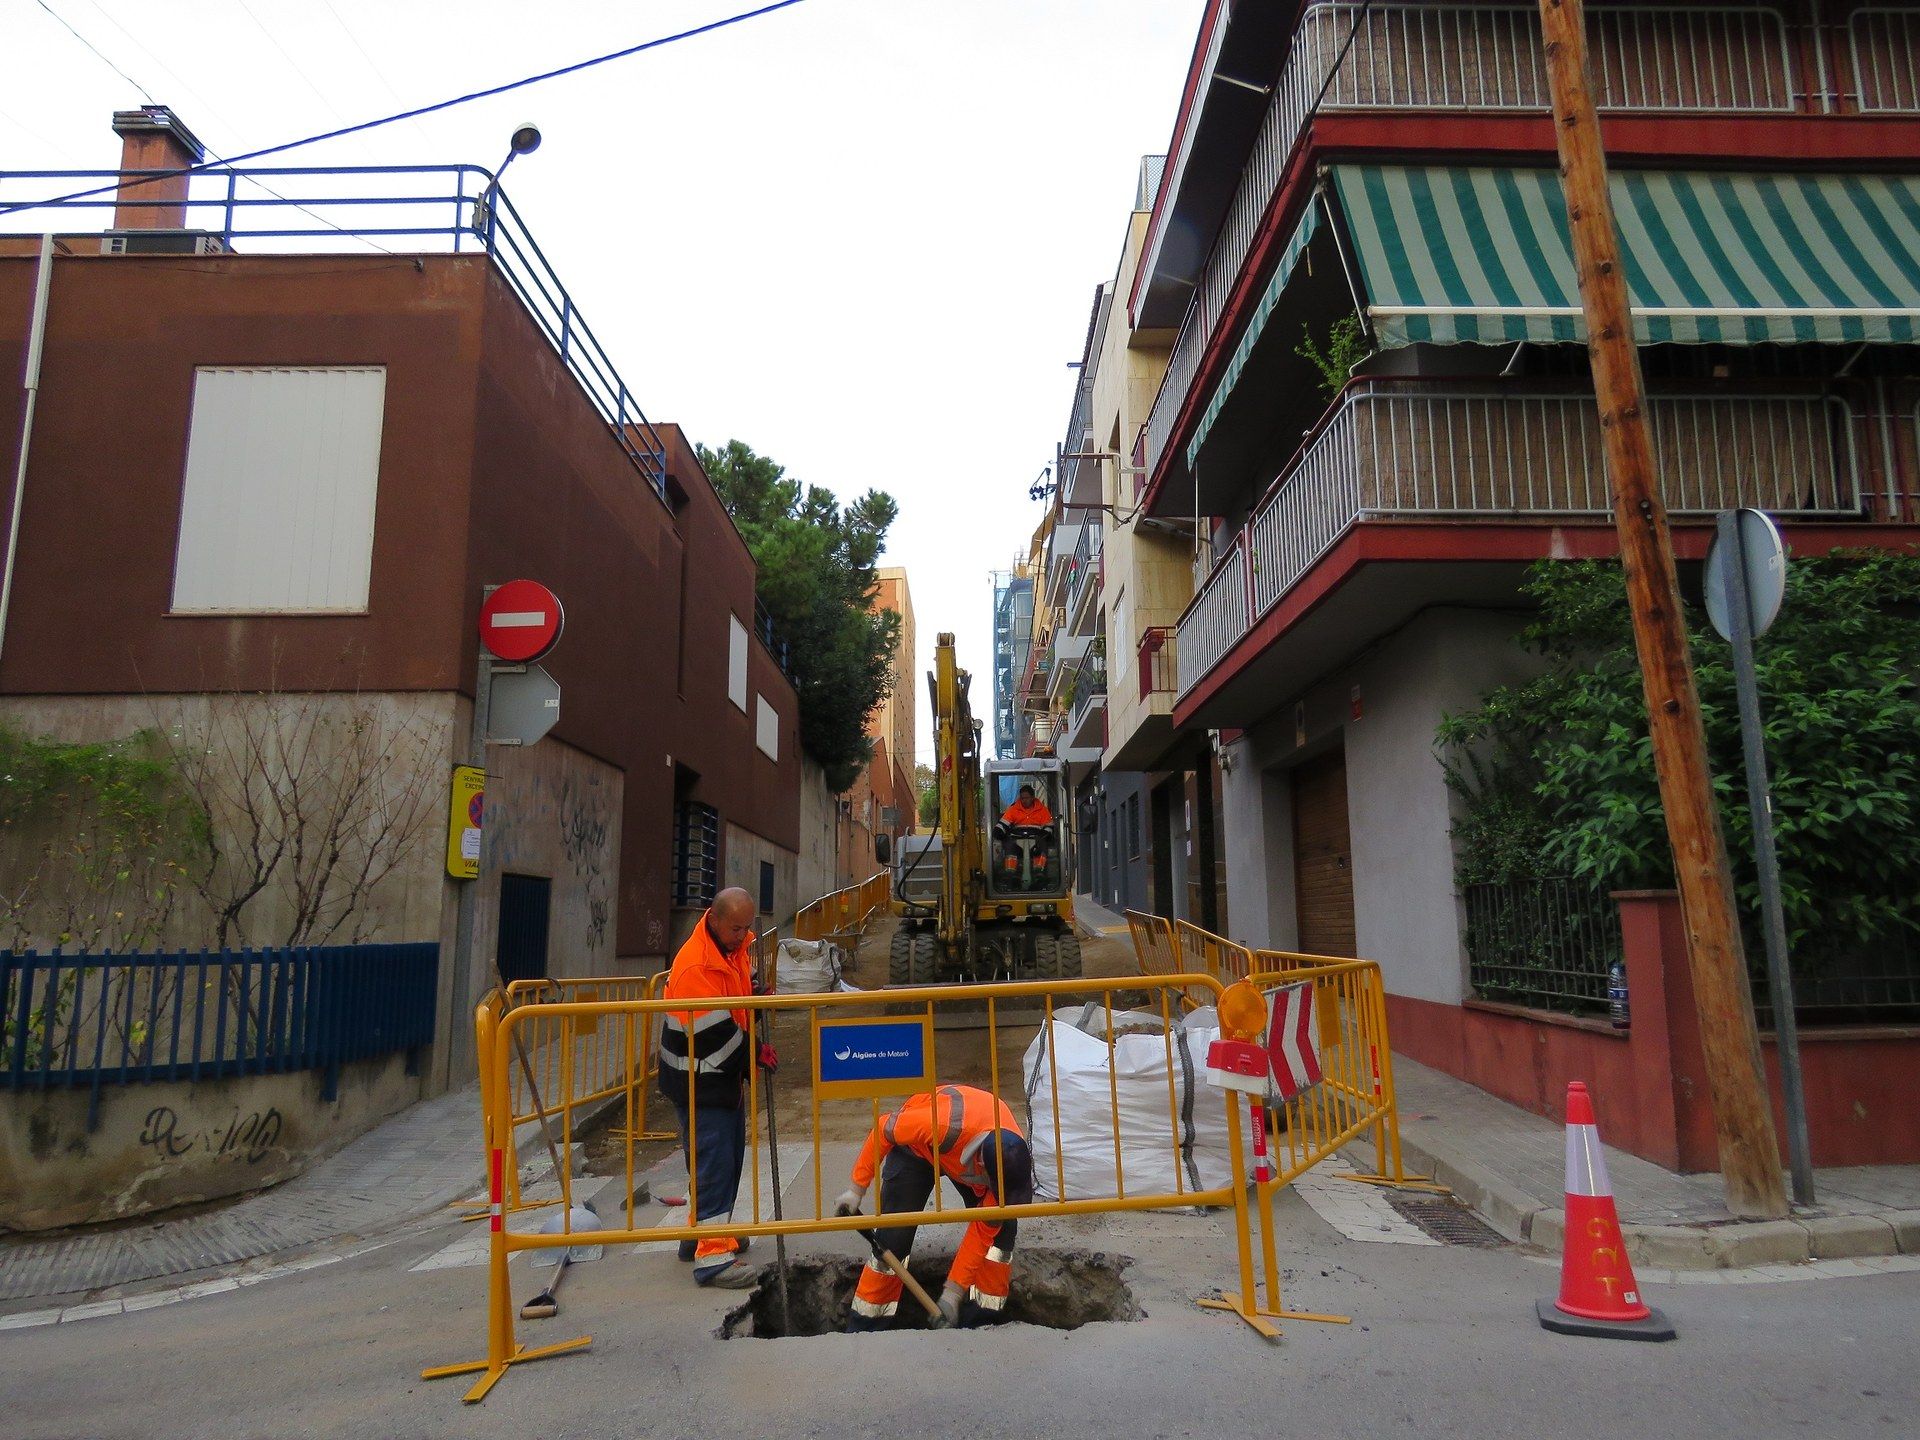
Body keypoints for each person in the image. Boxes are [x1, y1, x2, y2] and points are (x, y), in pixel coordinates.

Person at [833, 1085, 1033, 1331]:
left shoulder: (1010, 1158)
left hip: (970, 1157)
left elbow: (982, 1231)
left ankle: (983, 1323)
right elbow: (884, 1129)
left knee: (1001, 1233)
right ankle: (867, 1326)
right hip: (917, 1150)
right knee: (894, 1238)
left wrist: (951, 1296)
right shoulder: (938, 1124)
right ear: (980, 1164)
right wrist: (856, 1189)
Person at [657, 886, 775, 1289]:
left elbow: (732, 997)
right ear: (714, 918)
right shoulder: (696, 966)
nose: (742, 936)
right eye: (736, 929)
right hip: (700, 1077)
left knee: (720, 1159)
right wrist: (755, 1051)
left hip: (714, 1076)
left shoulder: (728, 949)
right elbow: (712, 1032)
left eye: (746, 928)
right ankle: (712, 1257)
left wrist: (752, 996)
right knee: (714, 1161)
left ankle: (702, 1232)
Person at [999, 783, 1053, 877]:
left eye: (1027, 798)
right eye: (1022, 798)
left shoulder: (1042, 810)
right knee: (1009, 845)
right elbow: (1003, 823)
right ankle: (1011, 872)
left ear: (1032, 797)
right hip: (1016, 837)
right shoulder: (1013, 809)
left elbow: (1049, 826)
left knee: (1043, 844)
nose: (1024, 800)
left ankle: (1039, 870)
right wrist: (999, 831)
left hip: (1036, 837)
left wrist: (1044, 834)